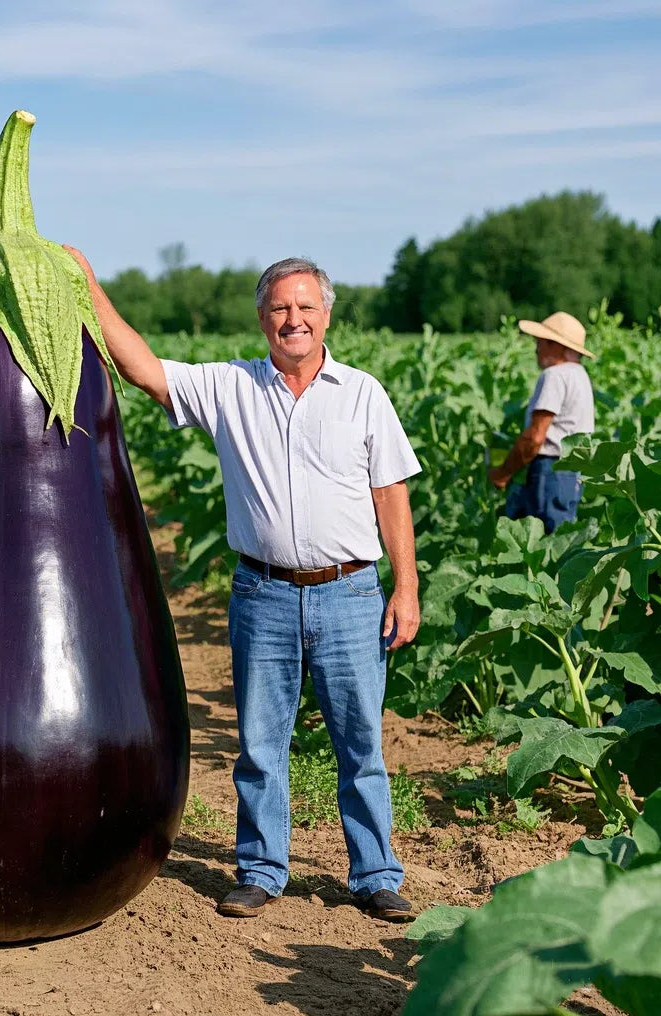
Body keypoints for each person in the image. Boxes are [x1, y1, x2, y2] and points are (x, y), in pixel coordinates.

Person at [64, 248, 422, 923]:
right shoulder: (230, 387)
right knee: (261, 743)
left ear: (326, 317)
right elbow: (142, 368)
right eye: (281, 308)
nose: (294, 319)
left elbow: (391, 491)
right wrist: (88, 285)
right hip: (263, 593)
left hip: (349, 592)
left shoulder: (363, 394)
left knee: (361, 745)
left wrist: (406, 587)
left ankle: (375, 874)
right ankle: (261, 868)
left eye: (306, 308)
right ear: (262, 318)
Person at [488, 312, 595, 534]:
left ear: (555, 345)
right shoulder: (580, 374)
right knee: (560, 544)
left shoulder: (554, 376)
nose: (536, 347)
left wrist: (503, 473)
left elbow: (536, 437)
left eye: (540, 341)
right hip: (573, 472)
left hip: (549, 472)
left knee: (542, 546)